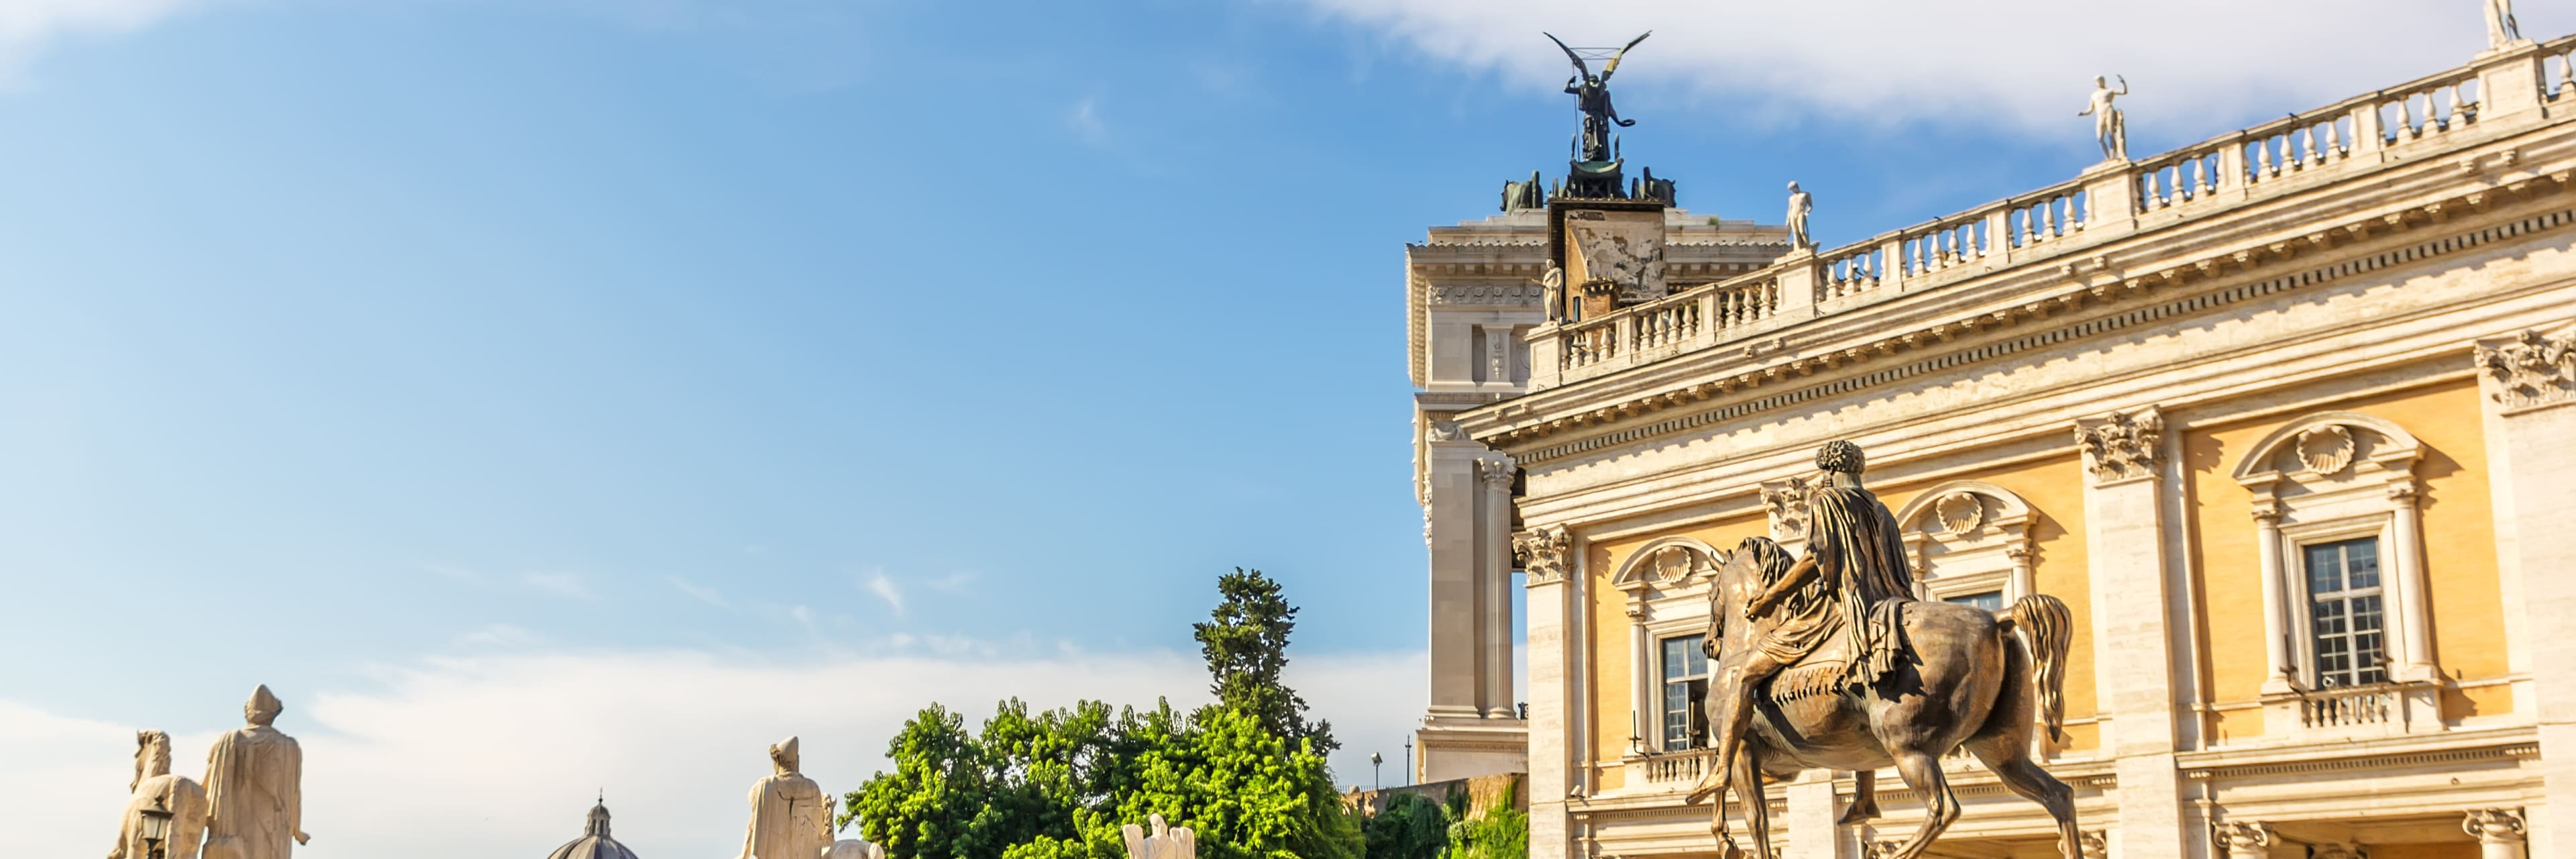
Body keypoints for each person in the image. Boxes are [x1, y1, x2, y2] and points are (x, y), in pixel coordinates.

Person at [1686, 441, 1917, 813]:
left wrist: (1772, 597)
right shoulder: (1881, 508)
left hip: (1843, 606)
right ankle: (1865, 795)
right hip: (1889, 601)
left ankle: (1721, 768)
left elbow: (1815, 558)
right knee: (1866, 686)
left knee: (1745, 675)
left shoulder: (1830, 501)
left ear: (1827, 470)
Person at [203, 686, 308, 859]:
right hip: (273, 829)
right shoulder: (289, 747)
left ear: (247, 712)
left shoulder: (226, 742)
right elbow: (294, 795)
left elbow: (206, 786)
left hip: (232, 829)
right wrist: (297, 830)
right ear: (275, 714)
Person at [2080, 76, 2131, 162]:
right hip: (2100, 114)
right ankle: (2108, 158)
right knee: (2100, 138)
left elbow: (2124, 92)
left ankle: (2112, 157)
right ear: (2095, 83)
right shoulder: (2094, 95)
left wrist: (2123, 83)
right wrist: (2084, 113)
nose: (2100, 82)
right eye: (2098, 81)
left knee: (2111, 134)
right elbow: (2090, 109)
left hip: (2108, 110)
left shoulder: (2110, 90)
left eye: (2101, 80)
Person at [1786, 182, 1814, 251]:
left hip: (1801, 213)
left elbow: (1811, 206)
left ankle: (1808, 247)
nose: (1792, 191)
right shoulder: (1791, 198)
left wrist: (1807, 212)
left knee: (1802, 231)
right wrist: (1788, 220)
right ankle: (1798, 249)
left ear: (1796, 187)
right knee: (1795, 232)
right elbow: (1790, 209)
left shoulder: (1806, 194)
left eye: (1792, 189)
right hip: (1793, 214)